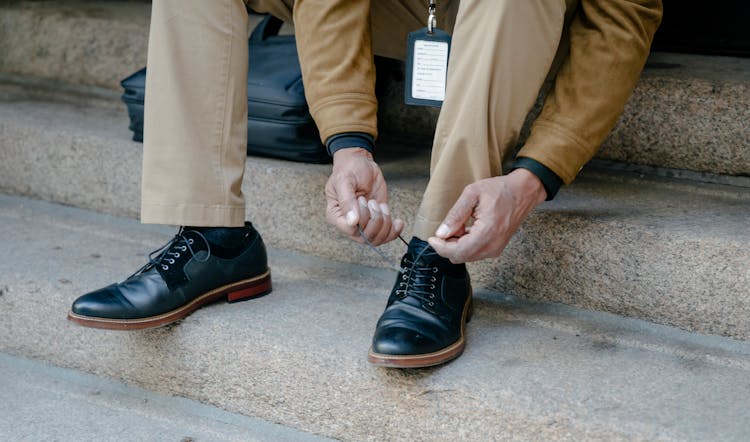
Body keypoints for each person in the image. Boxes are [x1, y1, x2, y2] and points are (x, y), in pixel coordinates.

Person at [68, 0, 662, 368]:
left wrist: (532, 179)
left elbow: (623, 14)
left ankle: (440, 248)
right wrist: (348, 142)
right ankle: (215, 239)